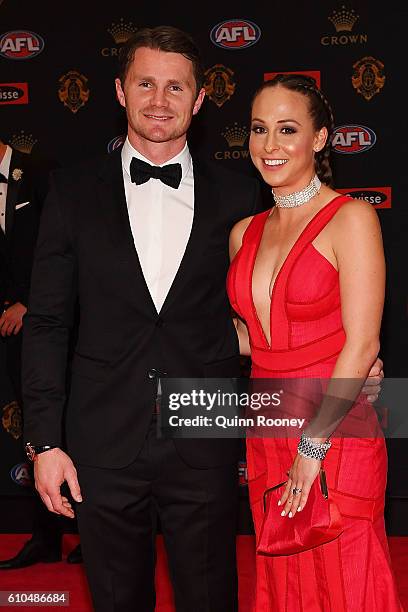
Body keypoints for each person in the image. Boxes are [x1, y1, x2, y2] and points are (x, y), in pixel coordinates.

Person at [21, 28, 382, 611]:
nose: (158, 100)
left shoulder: (245, 199)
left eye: (175, 86)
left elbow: (274, 308)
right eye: (145, 83)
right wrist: (43, 442)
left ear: (199, 100)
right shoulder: (71, 192)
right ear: (119, 91)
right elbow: (45, 324)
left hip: (207, 439)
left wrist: (346, 357)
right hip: (101, 446)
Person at [227, 74, 401, 610]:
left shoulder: (350, 218)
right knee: (283, 579)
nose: (270, 145)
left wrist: (313, 444)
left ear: (321, 138)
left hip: (333, 425)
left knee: (348, 576)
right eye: (259, 129)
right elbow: (248, 340)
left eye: (287, 129)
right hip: (267, 424)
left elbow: (362, 342)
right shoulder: (243, 232)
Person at [0, 139, 66, 569]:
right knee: (35, 431)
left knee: (75, 428)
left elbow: (61, 249)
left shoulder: (41, 171)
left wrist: (29, 303)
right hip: (12, 330)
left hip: (56, 325)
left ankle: (94, 531)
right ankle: (46, 537)